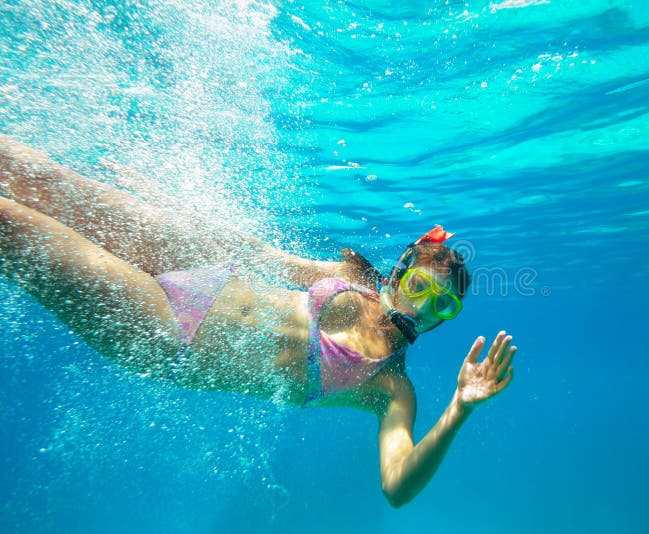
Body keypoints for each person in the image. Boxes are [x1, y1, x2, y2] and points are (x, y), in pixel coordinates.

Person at [0, 134, 517, 508]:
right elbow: (259, 253)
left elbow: (397, 486)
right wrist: (165, 207)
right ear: (399, 274)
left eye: (443, 307)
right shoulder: (350, 276)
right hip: (198, 268)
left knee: (11, 226)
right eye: (419, 288)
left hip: (167, 335)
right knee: (38, 177)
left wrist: (459, 409)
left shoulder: (389, 387)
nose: (423, 310)